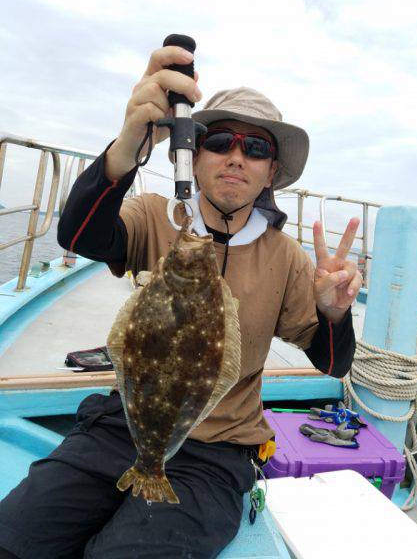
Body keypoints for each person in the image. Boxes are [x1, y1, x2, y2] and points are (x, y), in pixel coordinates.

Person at [0, 45, 361, 559]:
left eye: (255, 147)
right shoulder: (156, 215)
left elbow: (334, 361)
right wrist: (125, 149)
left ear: (271, 170)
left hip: (215, 455)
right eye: (219, 140)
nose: (236, 156)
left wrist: (333, 313)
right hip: (123, 423)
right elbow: (80, 234)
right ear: (195, 150)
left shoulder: (287, 258)